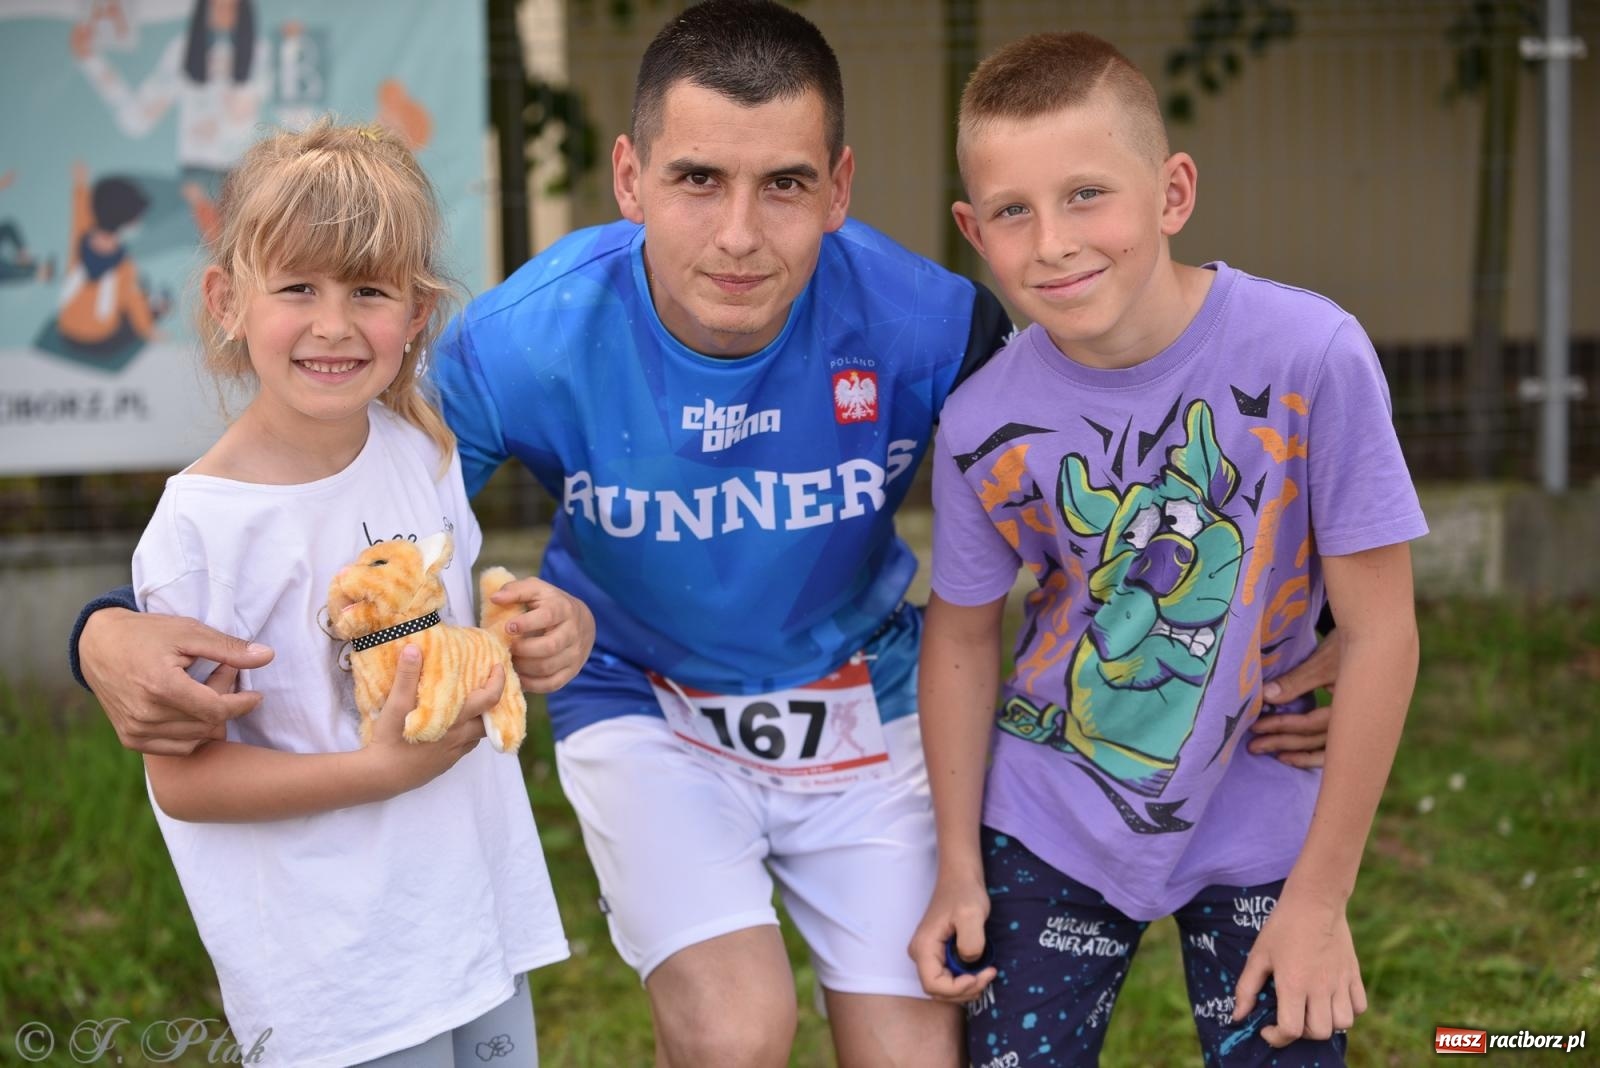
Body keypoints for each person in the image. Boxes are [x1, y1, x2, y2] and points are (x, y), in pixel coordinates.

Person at [70, 3, 1339, 1064]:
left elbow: (1140, 437)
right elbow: (316, 451)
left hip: (860, 694)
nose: (739, 233)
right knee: (737, 1032)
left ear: (838, 187)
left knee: (916, 1051)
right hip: (643, 698)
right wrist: (105, 627)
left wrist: (1311, 626)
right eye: (696, 181)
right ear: (629, 180)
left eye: (784, 183)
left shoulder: (931, 325)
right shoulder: (526, 338)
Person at [907, 31, 1427, 1067]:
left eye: (1086, 194)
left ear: (1171, 192)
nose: (1052, 241)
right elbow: (962, 642)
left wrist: (1321, 901)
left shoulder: (1312, 355)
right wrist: (957, 867)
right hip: (1049, 811)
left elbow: (1381, 632)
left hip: (1264, 809)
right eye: (1013, 211)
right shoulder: (978, 424)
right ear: (973, 229)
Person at [125, 121, 584, 1066]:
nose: (334, 324)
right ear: (227, 301)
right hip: (341, 984)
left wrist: (534, 634)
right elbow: (183, 779)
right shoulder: (199, 530)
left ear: (416, 313)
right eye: (299, 287)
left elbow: (447, 649)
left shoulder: (426, 449)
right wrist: (375, 772)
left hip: (472, 923)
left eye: (368, 290)